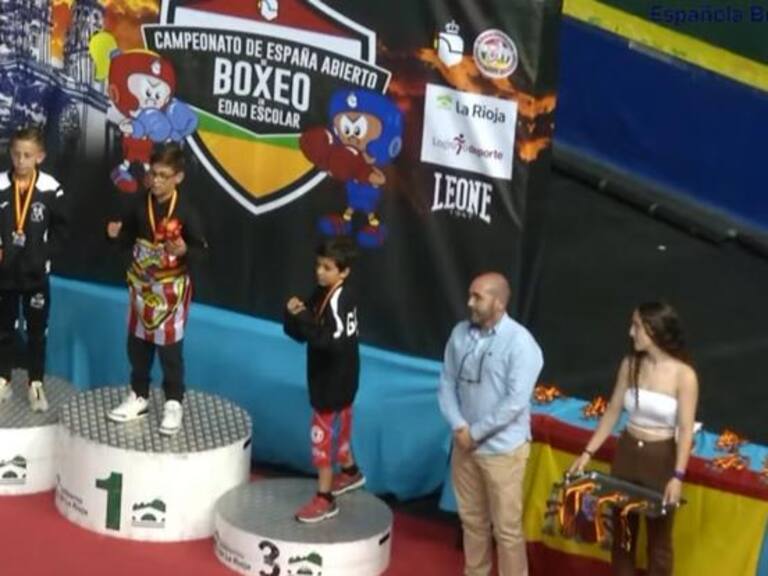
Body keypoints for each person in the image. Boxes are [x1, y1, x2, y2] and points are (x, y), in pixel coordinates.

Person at [568, 302, 699, 576]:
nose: (631, 332)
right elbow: (613, 411)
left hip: (661, 458)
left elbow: (686, 429)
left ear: (653, 329)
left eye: (636, 326)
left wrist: (678, 475)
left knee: (659, 543)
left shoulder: (684, 375)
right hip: (627, 454)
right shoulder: (630, 365)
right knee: (623, 535)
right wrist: (587, 453)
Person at [438, 272, 544, 576]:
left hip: (503, 452)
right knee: (472, 522)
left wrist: (475, 433)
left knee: (507, 531)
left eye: (478, 297)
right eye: (470, 295)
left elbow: (515, 402)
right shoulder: (460, 333)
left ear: (498, 302)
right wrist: (459, 426)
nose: (470, 303)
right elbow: (446, 383)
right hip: (464, 447)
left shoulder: (521, 343)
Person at [106, 144, 206, 435]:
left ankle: (174, 402)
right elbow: (125, 240)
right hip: (141, 288)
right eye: (154, 174)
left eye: (164, 175)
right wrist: (113, 236)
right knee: (137, 345)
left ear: (179, 177)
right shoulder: (139, 205)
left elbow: (202, 251)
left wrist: (185, 250)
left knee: (170, 350)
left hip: (171, 291)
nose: (157, 181)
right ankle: (139, 395)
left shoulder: (186, 211)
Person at [283, 237, 365, 523]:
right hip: (339, 377)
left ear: (344, 272)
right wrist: (294, 315)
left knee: (322, 440)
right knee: (341, 431)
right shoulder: (323, 291)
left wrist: (303, 317)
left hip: (333, 381)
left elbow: (331, 342)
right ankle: (351, 473)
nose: (319, 272)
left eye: (327, 268)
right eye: (318, 265)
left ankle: (325, 498)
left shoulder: (339, 300)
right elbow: (303, 332)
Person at [0, 126, 68, 411]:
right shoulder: (0, 184)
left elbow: (62, 231)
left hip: (36, 276)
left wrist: (42, 255)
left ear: (40, 156)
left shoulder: (51, 188)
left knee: (37, 332)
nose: (21, 161)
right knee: (3, 329)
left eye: (27, 155)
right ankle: (3, 378)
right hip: (3, 275)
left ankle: (35, 383)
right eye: (16, 154)